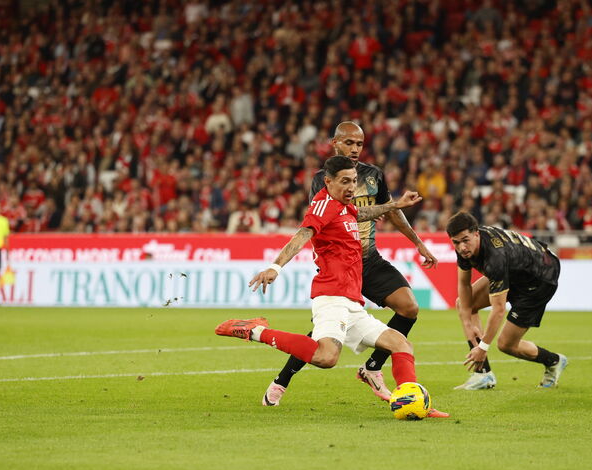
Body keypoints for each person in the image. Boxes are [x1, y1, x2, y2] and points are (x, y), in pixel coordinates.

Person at [216, 155, 450, 418]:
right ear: (327, 181)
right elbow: (303, 234)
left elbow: (360, 213)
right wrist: (276, 266)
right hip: (331, 296)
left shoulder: (344, 206)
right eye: (344, 182)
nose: (351, 187)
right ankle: (254, 331)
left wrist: (394, 205)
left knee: (401, 344)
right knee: (326, 358)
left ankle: (411, 400)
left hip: (352, 302)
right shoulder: (323, 205)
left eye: (353, 181)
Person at [262, 121, 439, 407]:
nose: (355, 149)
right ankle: (282, 379)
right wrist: (276, 265)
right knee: (324, 340)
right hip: (341, 267)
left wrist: (417, 242)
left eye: (359, 143)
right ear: (334, 143)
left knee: (409, 307)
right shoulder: (325, 180)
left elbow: (389, 212)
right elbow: (331, 219)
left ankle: (371, 367)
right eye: (348, 143)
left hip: (369, 260)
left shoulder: (372, 175)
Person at [446, 212, 567, 389]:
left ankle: (554, 361)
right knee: (464, 305)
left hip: (540, 279)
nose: (462, 247)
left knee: (506, 344)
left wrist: (483, 347)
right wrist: (467, 323)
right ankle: (483, 375)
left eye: (465, 240)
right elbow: (464, 285)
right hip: (516, 270)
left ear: (476, 233)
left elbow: (499, 309)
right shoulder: (465, 249)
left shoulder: (495, 257)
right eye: (456, 242)